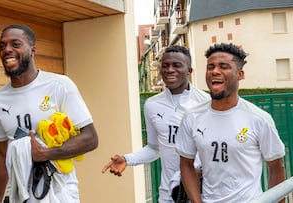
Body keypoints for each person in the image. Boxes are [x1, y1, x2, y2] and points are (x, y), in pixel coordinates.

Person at [0, 24, 98, 203]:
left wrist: (46, 153)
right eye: (2, 46)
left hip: (59, 191)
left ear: (32, 50)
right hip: (18, 194)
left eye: (15, 44)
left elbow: (91, 139)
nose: (7, 50)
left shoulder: (59, 85)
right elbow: (0, 155)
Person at [175, 43, 286, 203]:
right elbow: (186, 164)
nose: (215, 71)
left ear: (240, 74)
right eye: (210, 66)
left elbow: (276, 167)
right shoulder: (192, 117)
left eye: (224, 66)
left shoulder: (259, 119)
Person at [102, 45, 210, 203]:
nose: (170, 70)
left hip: (202, 194)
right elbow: (154, 148)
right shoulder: (152, 105)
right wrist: (127, 159)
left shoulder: (207, 103)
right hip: (168, 195)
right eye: (165, 65)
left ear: (189, 71)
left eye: (177, 65)